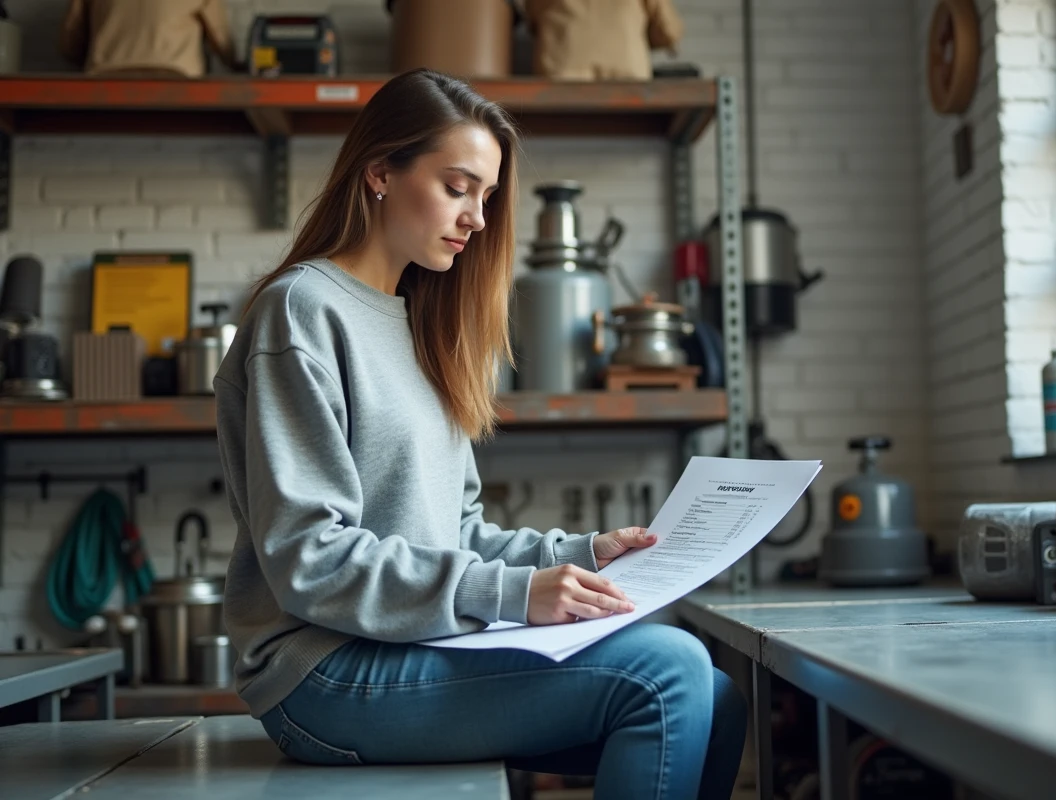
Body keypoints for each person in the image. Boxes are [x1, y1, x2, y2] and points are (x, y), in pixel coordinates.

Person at [213, 68, 747, 800]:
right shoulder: (302, 311)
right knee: (669, 670)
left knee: (719, 698)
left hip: (414, 645)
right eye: (457, 187)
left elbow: (457, 533)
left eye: (487, 197)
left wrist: (579, 555)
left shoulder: (420, 324)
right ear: (379, 173)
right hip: (324, 672)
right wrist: (514, 593)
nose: (478, 219)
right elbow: (310, 557)